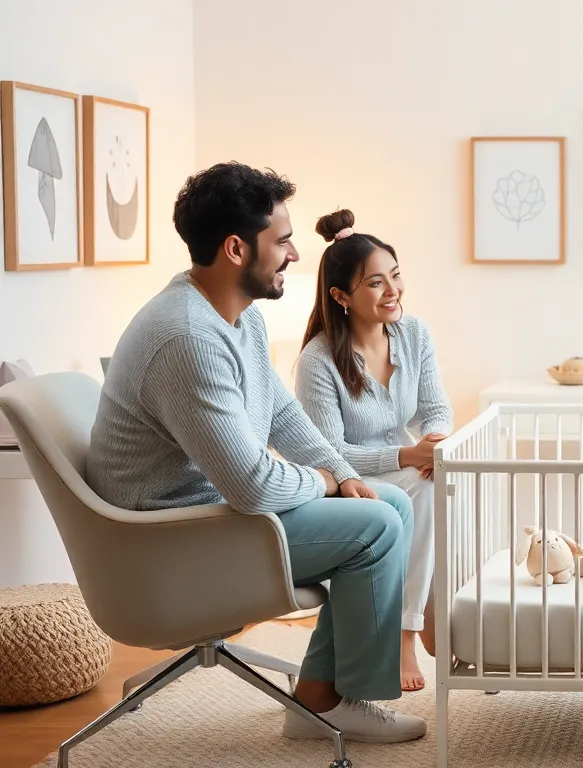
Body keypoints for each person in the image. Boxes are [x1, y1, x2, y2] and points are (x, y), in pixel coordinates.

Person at [87, 162, 426, 744]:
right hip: (171, 540)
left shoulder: (233, 318)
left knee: (389, 504)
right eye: (283, 240)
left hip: (209, 515)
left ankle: (319, 700)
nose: (294, 254)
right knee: (377, 525)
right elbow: (251, 484)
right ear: (237, 248)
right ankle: (335, 701)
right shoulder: (187, 338)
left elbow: (283, 415)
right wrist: (322, 482)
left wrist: (343, 473)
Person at [293, 208, 454, 692]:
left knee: (442, 482)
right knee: (421, 492)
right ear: (341, 296)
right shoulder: (319, 361)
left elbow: (436, 409)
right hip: (348, 487)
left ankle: (433, 608)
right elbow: (327, 454)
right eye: (376, 283)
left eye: (397, 276)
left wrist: (436, 440)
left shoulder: (415, 334)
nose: (393, 291)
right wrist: (406, 457)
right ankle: (411, 630)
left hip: (409, 473)